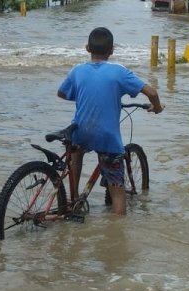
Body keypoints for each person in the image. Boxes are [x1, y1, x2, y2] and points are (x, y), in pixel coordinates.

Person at [57, 27, 163, 217]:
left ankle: (73, 200)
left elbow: (61, 93)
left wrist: (84, 95)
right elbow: (152, 93)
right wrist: (157, 107)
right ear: (112, 50)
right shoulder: (119, 72)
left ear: (87, 48)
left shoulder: (77, 71)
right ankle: (116, 234)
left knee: (76, 152)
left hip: (80, 131)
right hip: (106, 137)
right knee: (117, 193)